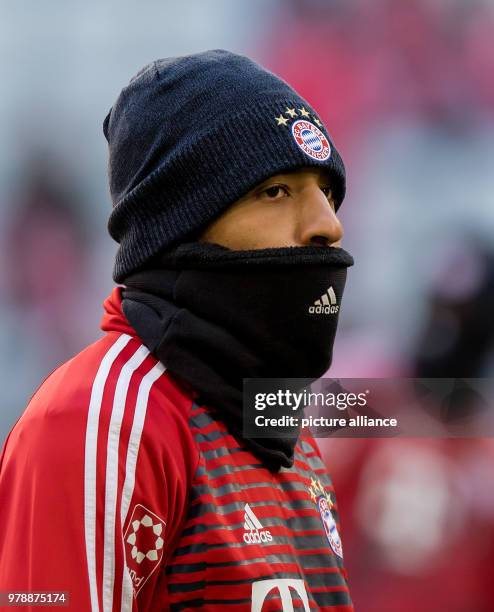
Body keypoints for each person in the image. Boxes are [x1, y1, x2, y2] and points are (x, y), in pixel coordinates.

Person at [0, 50, 354, 611]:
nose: (328, 225)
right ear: (183, 224)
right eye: (275, 191)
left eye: (327, 193)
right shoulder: (99, 422)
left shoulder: (285, 434)